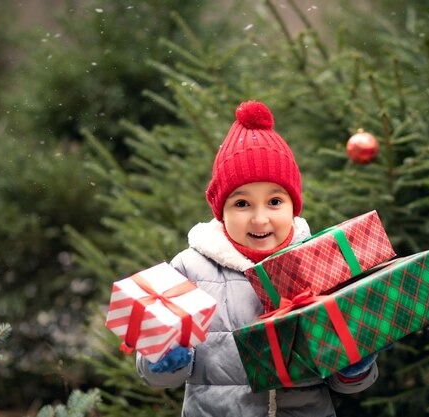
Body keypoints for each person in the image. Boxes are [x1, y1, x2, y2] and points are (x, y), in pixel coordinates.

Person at [136, 100, 379, 417]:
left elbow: (346, 384)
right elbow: (159, 376)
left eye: (275, 201)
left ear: (294, 206)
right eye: (242, 204)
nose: (260, 219)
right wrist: (163, 356)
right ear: (220, 210)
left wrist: (355, 361)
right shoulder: (188, 270)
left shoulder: (322, 264)